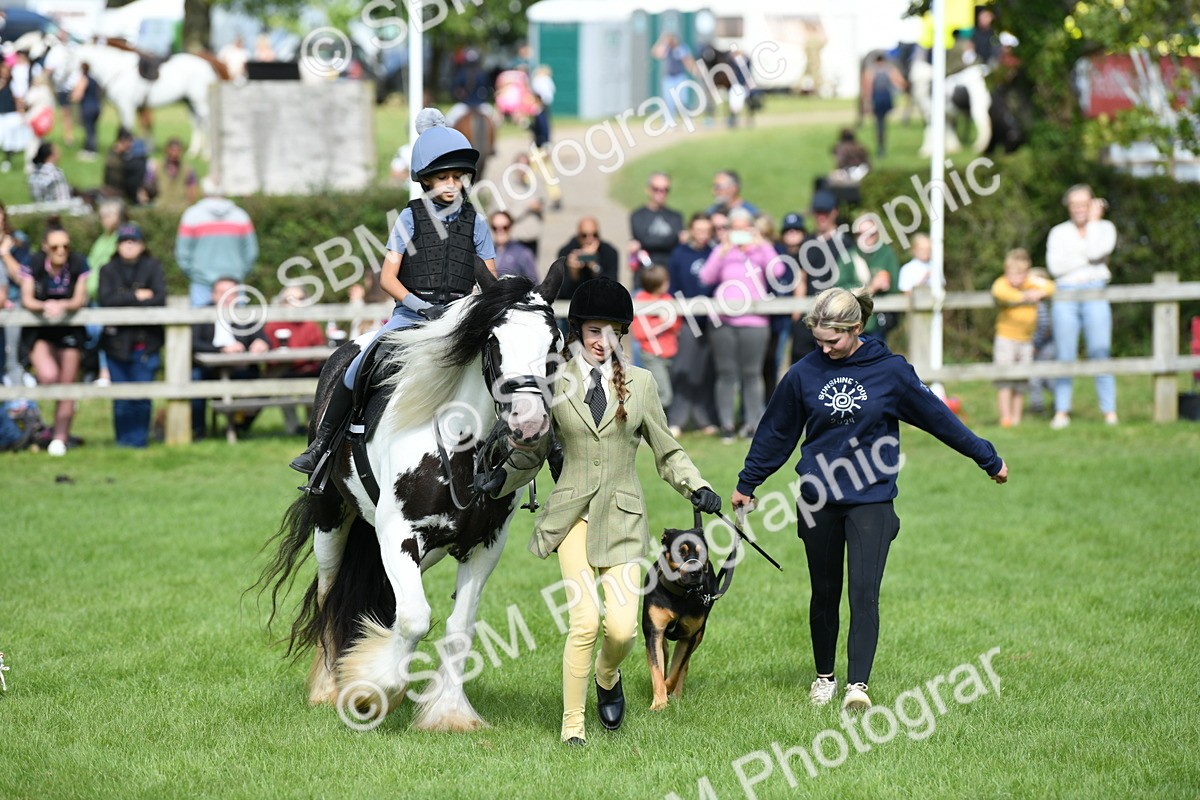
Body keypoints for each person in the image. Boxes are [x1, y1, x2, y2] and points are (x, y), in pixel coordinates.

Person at [730, 288, 1008, 712]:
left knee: (864, 592)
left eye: (833, 341)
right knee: (824, 592)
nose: (824, 349)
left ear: (856, 329)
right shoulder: (804, 373)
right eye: (819, 341)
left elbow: (938, 418)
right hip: (818, 496)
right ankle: (824, 678)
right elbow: (776, 432)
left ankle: (857, 686)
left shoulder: (891, 371)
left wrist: (986, 456)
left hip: (872, 498)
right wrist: (749, 482)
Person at [528, 276, 722, 745]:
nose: (602, 341)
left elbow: (667, 450)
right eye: (593, 331)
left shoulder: (642, 383)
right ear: (576, 332)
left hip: (624, 516)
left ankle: (607, 677)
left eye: (612, 331)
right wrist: (497, 479)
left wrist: (697, 486)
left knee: (621, 633)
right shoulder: (553, 382)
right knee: (585, 622)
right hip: (571, 515)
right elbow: (530, 449)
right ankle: (572, 725)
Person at [289, 107, 496, 487]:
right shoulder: (409, 219)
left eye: (456, 177)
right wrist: (422, 306)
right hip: (412, 314)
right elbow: (387, 278)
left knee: (506, 369)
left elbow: (490, 279)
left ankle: (526, 456)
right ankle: (321, 448)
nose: (451, 185)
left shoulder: (477, 223)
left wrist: (469, 310)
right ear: (426, 181)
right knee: (357, 365)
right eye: (442, 178)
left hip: (458, 316)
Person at [699, 207, 776, 442]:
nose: (740, 234)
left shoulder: (760, 251)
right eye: (736, 229)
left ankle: (753, 424)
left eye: (745, 228)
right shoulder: (723, 252)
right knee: (726, 374)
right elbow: (705, 277)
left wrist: (761, 243)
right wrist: (722, 250)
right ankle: (727, 425)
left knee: (752, 374)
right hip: (723, 321)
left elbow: (778, 270)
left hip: (755, 321)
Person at [1046, 184, 1119, 429]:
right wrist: (1086, 259)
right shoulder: (1058, 232)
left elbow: (1098, 250)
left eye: (1084, 204)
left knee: (1100, 351)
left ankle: (1109, 411)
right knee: (1064, 354)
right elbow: (1056, 268)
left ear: (1093, 204)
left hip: (1095, 290)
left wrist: (1094, 225)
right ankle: (1062, 410)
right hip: (1065, 295)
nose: (1079, 209)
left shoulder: (1105, 228)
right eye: (1074, 204)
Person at [20, 221, 90, 456]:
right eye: (55, 247)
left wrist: (62, 305)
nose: (61, 251)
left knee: (66, 384)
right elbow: (27, 299)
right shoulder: (34, 263)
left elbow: (80, 299)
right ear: (45, 247)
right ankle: (56, 421)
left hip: (70, 329)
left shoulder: (78, 263)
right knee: (50, 377)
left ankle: (59, 438)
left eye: (65, 247)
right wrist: (45, 306)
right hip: (41, 330)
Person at [97, 224, 166, 447]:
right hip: (116, 344)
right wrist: (137, 295)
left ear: (142, 244)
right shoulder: (108, 270)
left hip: (146, 344)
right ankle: (123, 442)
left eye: (133, 241)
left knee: (142, 396)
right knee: (122, 398)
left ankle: (139, 441)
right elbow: (106, 301)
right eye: (124, 241)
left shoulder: (153, 267)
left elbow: (160, 299)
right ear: (117, 246)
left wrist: (123, 297)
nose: (129, 245)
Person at [190, 276, 271, 439]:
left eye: (231, 293)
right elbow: (193, 343)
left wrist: (261, 343)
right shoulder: (200, 314)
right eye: (221, 293)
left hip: (240, 368)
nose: (227, 297)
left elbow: (264, 338)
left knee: (265, 384)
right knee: (194, 381)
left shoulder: (246, 314)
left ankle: (240, 427)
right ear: (213, 295)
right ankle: (198, 431)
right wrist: (221, 349)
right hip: (208, 370)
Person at [791, 190, 862, 364]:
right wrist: (796, 310)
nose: (821, 217)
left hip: (836, 314)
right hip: (809, 313)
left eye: (825, 212)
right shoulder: (807, 243)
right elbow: (801, 276)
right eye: (817, 212)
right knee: (803, 362)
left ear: (835, 212)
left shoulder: (846, 243)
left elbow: (855, 277)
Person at [666, 213, 718, 436]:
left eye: (707, 230)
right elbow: (673, 289)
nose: (703, 235)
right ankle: (676, 419)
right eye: (699, 230)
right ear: (691, 230)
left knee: (706, 372)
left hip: (714, 322)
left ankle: (704, 419)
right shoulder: (680, 254)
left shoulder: (715, 253)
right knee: (684, 369)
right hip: (687, 321)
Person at [991, 248, 1054, 428]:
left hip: (1026, 340)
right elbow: (999, 292)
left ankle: (1017, 418)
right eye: (1012, 272)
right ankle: (1006, 418)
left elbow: (1051, 287)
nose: (1015, 277)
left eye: (1020, 273)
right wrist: (1023, 297)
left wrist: (1039, 292)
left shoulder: (1031, 283)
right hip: (1006, 338)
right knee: (1005, 380)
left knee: (1021, 381)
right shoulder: (1003, 284)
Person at [175, 179, 258, 307]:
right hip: (234, 284)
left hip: (201, 283)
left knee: (200, 324)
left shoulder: (191, 216)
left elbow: (182, 253)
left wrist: (196, 275)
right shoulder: (241, 216)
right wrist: (239, 273)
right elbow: (251, 252)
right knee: (238, 325)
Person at [265, 284, 327, 435]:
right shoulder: (272, 325)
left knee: (314, 386)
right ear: (281, 302)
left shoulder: (310, 324)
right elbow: (268, 357)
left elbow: (321, 348)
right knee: (282, 387)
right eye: (289, 300)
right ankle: (293, 428)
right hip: (282, 371)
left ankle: (312, 427)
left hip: (307, 370)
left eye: (300, 299)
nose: (294, 304)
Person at [630, 265, 681, 409]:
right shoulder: (640, 301)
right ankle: (649, 421)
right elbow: (639, 333)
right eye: (665, 282)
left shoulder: (668, 299)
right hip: (651, 355)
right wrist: (661, 322)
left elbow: (676, 326)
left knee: (663, 391)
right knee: (664, 395)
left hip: (669, 353)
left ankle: (657, 422)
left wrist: (670, 322)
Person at [628, 172, 684, 285]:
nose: (661, 193)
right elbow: (645, 239)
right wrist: (672, 239)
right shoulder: (637, 216)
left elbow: (647, 241)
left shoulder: (676, 216)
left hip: (670, 275)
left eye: (665, 190)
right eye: (656, 189)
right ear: (648, 190)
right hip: (645, 275)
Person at [857, 217, 902, 342]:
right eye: (862, 233)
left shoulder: (886, 254)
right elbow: (841, 286)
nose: (867, 237)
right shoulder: (849, 256)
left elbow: (896, 287)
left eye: (871, 233)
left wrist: (886, 283)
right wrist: (872, 287)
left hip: (878, 323)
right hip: (853, 322)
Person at [556, 217, 620, 302]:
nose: (589, 240)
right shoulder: (566, 252)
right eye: (584, 236)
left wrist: (594, 266)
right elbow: (563, 293)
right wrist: (574, 274)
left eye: (595, 235)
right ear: (578, 236)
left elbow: (612, 289)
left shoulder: (609, 252)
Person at [863, 54, 906, 158]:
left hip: (878, 99)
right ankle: (881, 146)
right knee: (882, 124)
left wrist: (867, 102)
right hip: (886, 99)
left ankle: (881, 147)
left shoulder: (871, 71)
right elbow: (900, 82)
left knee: (879, 124)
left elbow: (868, 87)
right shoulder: (890, 69)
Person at [651, 32, 696, 126]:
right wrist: (661, 40)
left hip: (680, 77)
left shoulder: (681, 48)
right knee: (669, 101)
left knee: (683, 100)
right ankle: (669, 121)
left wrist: (693, 69)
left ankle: (687, 120)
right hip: (668, 79)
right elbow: (655, 53)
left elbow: (687, 60)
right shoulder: (666, 49)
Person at [148, 137, 198, 209]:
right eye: (172, 150)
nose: (174, 154)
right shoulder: (157, 167)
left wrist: (190, 205)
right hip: (161, 207)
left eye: (177, 151)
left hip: (181, 207)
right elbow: (148, 186)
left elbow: (192, 190)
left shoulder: (188, 169)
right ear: (166, 150)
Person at [490, 210, 538, 281]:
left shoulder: (523, 253)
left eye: (505, 227)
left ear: (511, 227)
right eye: (495, 227)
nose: (500, 231)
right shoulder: (486, 252)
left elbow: (535, 282)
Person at [71, 62, 102, 160]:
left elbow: (78, 94)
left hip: (88, 106)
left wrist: (72, 97)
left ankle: (90, 150)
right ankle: (92, 148)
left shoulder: (83, 79)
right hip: (96, 106)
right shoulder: (94, 79)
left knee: (88, 129)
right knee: (93, 129)